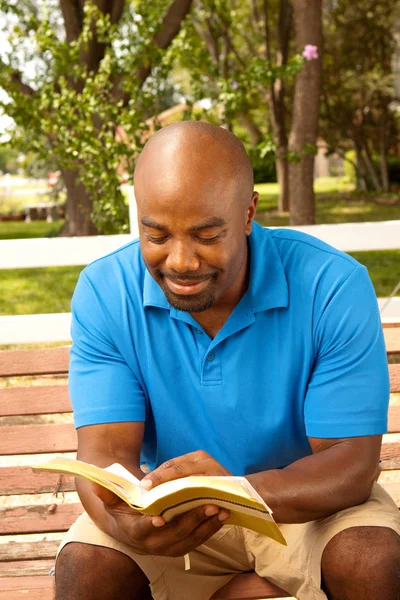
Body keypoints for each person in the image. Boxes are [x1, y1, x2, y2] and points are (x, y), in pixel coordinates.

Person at [56, 121, 400, 600]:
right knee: (85, 569)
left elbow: (351, 464)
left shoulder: (331, 285)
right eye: (156, 235)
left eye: (206, 235)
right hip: (177, 517)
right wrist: (127, 524)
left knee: (374, 563)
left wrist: (235, 492)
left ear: (248, 212)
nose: (181, 261)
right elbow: (107, 454)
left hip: (307, 510)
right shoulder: (105, 292)